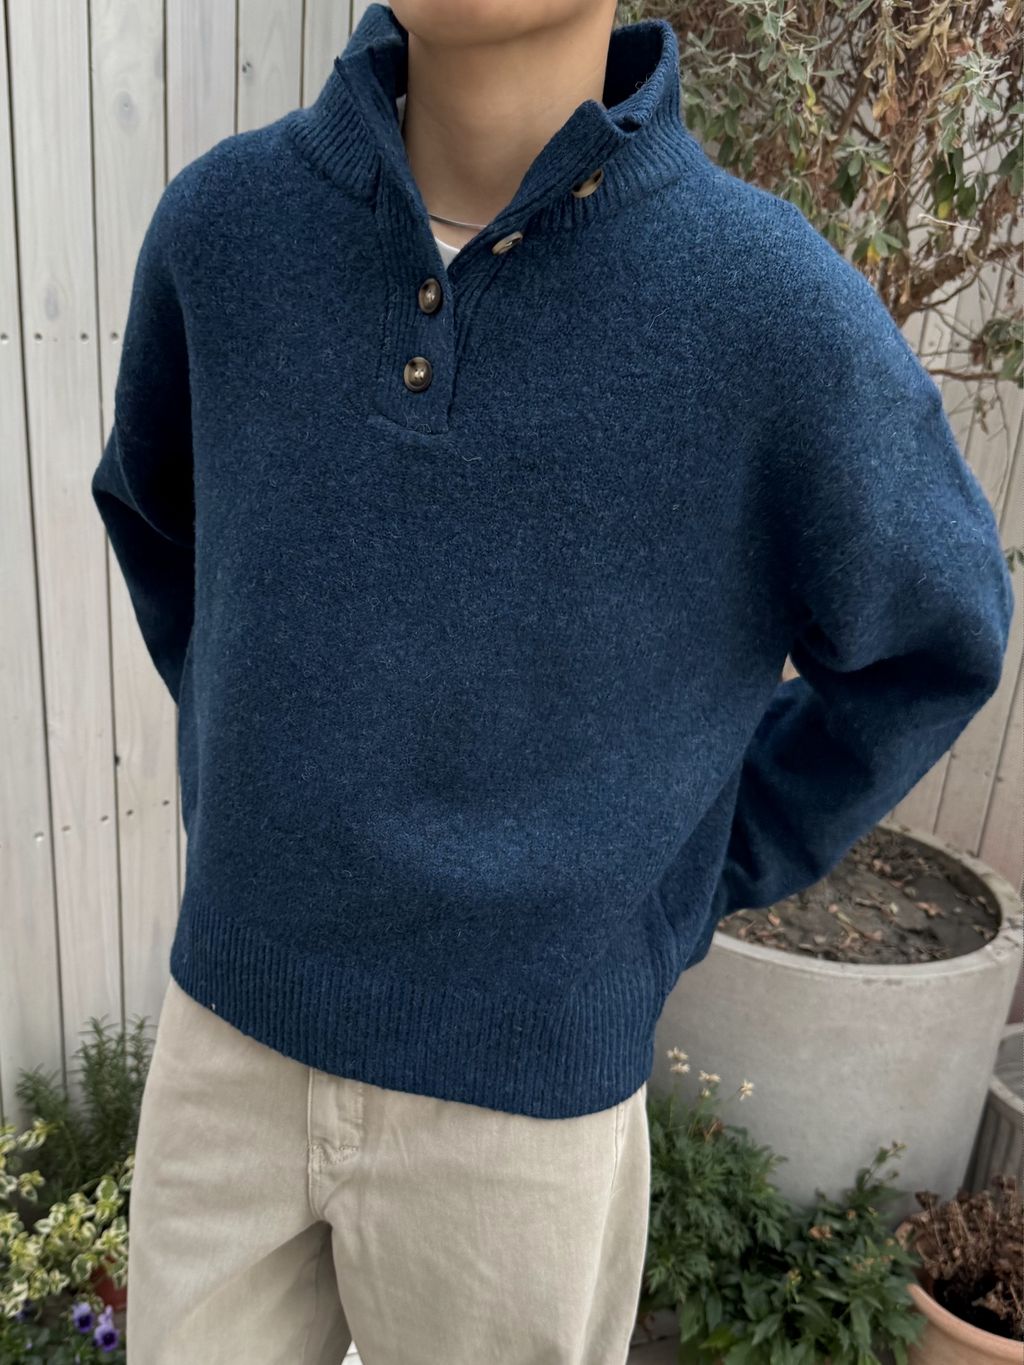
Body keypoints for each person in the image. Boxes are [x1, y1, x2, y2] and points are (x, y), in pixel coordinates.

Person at [90, 2, 1014, 1362]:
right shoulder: (226, 230)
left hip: (526, 1120)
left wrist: (680, 872)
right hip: (227, 1038)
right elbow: (163, 526)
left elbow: (934, 639)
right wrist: (272, 758)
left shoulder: (766, 307)